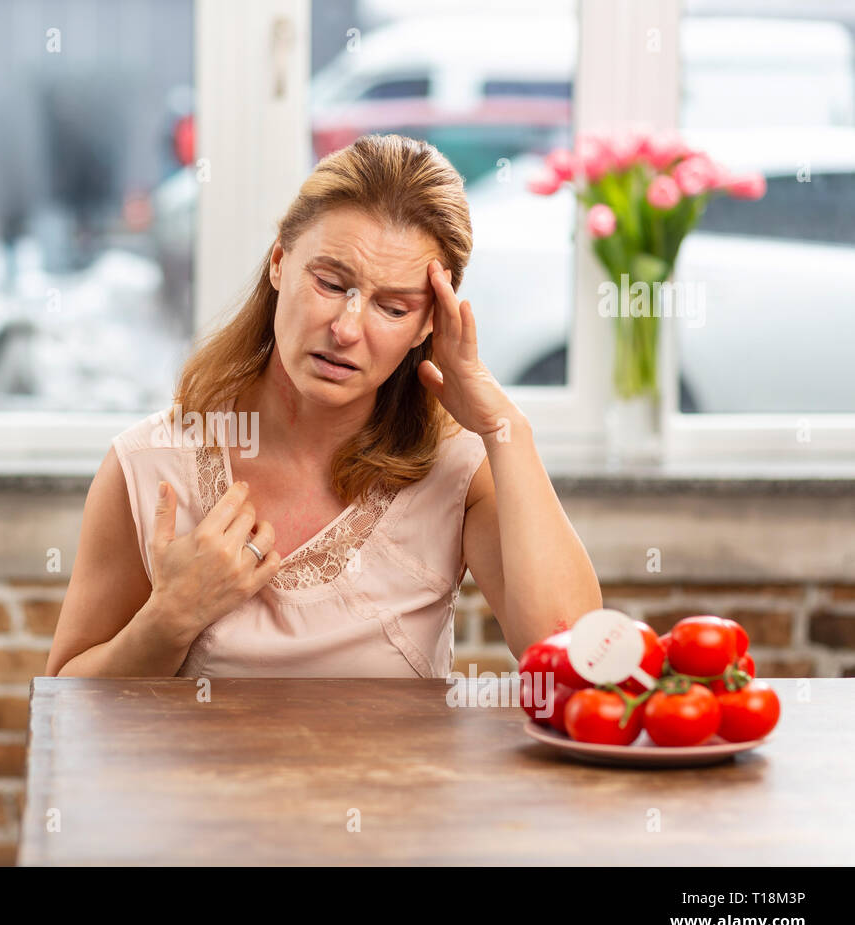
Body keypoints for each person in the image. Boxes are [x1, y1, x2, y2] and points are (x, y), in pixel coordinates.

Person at [46, 133, 601, 678]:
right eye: (332, 283)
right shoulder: (148, 465)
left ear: (429, 323)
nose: (346, 329)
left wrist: (507, 428)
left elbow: (574, 657)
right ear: (280, 263)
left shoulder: (456, 470)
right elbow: (66, 704)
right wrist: (170, 619)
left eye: (393, 307)